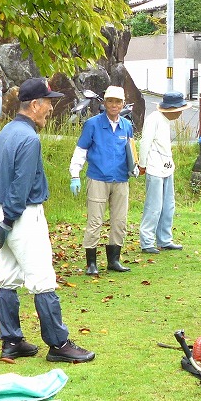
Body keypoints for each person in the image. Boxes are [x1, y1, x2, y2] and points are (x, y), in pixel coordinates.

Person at [0, 77, 95, 364]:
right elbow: (21, 185)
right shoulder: (30, 138)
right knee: (42, 278)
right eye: (48, 103)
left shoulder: (6, 132)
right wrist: (8, 221)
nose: (50, 109)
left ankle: (11, 341)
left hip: (2, 210)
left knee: (7, 276)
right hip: (22, 215)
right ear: (34, 105)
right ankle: (59, 344)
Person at [69, 85, 138, 276]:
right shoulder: (92, 124)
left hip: (121, 179)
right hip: (98, 178)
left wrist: (135, 166)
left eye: (118, 102)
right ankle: (91, 263)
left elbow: (131, 151)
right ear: (105, 103)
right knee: (95, 221)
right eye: (110, 101)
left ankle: (114, 260)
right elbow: (81, 150)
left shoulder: (127, 126)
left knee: (120, 221)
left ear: (123, 103)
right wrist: (75, 174)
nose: (114, 105)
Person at [138, 91, 190, 254]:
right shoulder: (153, 119)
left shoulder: (165, 121)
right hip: (154, 168)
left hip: (167, 167)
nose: (180, 113)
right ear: (171, 108)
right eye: (179, 110)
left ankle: (164, 239)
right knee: (154, 206)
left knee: (168, 206)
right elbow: (145, 142)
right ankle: (147, 241)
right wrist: (142, 164)